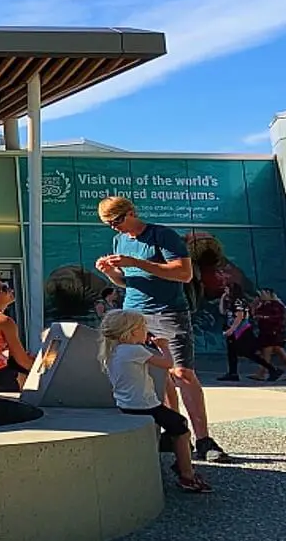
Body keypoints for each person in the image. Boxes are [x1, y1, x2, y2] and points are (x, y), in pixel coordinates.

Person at [93, 195, 231, 463]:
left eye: (117, 220)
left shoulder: (162, 235)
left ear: (131, 212)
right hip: (134, 313)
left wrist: (137, 263)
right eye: (108, 224)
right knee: (159, 375)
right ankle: (177, 434)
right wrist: (109, 273)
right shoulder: (119, 240)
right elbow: (127, 283)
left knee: (182, 372)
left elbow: (183, 274)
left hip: (168, 311)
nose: (114, 227)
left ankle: (204, 439)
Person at [99, 309, 212, 494]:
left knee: (173, 424)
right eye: (144, 328)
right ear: (132, 332)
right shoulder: (134, 349)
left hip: (126, 404)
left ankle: (175, 454)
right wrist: (164, 346)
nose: (147, 331)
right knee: (181, 427)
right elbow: (167, 363)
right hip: (145, 406)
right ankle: (186, 474)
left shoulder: (113, 350)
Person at [217, 282, 280, 382]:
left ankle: (272, 369)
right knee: (232, 352)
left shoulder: (238, 301)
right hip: (232, 330)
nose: (225, 291)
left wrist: (232, 329)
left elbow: (240, 316)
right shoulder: (230, 301)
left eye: (227, 289)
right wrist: (222, 298)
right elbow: (222, 312)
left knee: (247, 352)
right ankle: (233, 373)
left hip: (241, 330)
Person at [249, 288, 286, 382]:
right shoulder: (263, 305)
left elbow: (278, 318)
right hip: (265, 330)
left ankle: (262, 372)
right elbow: (254, 315)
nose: (260, 296)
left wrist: (264, 317)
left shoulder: (276, 305)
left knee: (267, 351)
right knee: (279, 351)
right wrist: (254, 306)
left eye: (262, 293)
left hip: (273, 331)